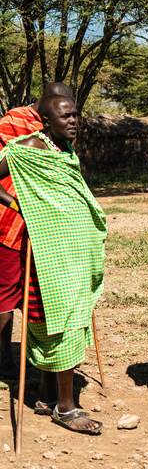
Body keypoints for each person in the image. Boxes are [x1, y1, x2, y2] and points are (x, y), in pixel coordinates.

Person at [0, 95, 105, 434]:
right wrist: (18, 204)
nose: (73, 121)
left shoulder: (65, 151)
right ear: (45, 121)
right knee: (64, 323)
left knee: (57, 319)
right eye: (65, 116)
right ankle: (66, 407)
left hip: (69, 254)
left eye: (75, 115)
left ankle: (46, 396)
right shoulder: (29, 147)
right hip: (46, 255)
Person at [0, 82, 73, 377]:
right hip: (9, 221)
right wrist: (18, 205)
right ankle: (4, 357)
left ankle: (40, 363)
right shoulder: (15, 121)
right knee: (5, 292)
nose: (71, 118)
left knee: (41, 295)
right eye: (63, 109)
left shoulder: (62, 132)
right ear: (46, 106)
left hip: (46, 229)